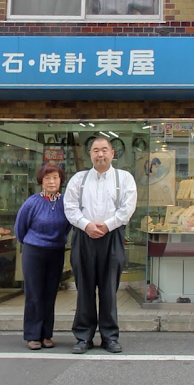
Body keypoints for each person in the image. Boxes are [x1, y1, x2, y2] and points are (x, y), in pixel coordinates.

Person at [63, 135, 137, 354]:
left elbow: (127, 208)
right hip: (83, 236)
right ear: (90, 154)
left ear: (112, 153)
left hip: (112, 236)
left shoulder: (124, 178)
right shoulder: (79, 179)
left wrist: (107, 226)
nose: (100, 154)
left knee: (109, 289)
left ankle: (109, 337)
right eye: (96, 150)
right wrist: (86, 225)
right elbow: (70, 207)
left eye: (104, 150)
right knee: (84, 288)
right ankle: (83, 337)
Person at [15, 162, 71, 351]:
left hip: (56, 251)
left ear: (61, 180)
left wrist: (58, 240)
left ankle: (47, 334)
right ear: (41, 181)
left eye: (55, 177)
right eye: (47, 178)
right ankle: (33, 335)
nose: (51, 181)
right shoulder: (32, 202)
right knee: (34, 294)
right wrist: (32, 242)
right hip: (34, 251)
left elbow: (68, 226)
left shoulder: (65, 202)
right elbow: (20, 228)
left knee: (50, 293)